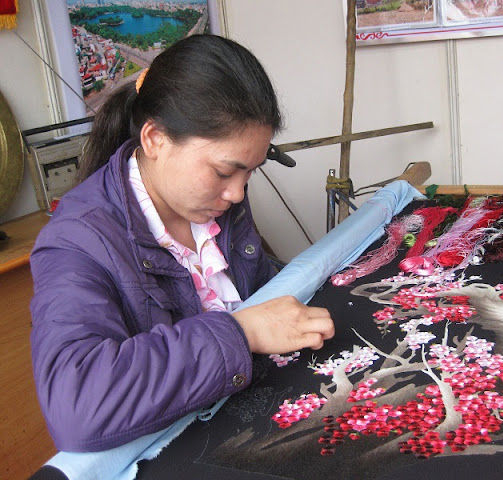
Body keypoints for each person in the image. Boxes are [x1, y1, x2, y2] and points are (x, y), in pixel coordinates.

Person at [29, 34, 334, 453]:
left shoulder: (215, 208)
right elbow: (76, 406)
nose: (237, 194)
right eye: (225, 172)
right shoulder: (76, 242)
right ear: (154, 139)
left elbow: (261, 289)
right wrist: (241, 334)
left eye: (250, 173)